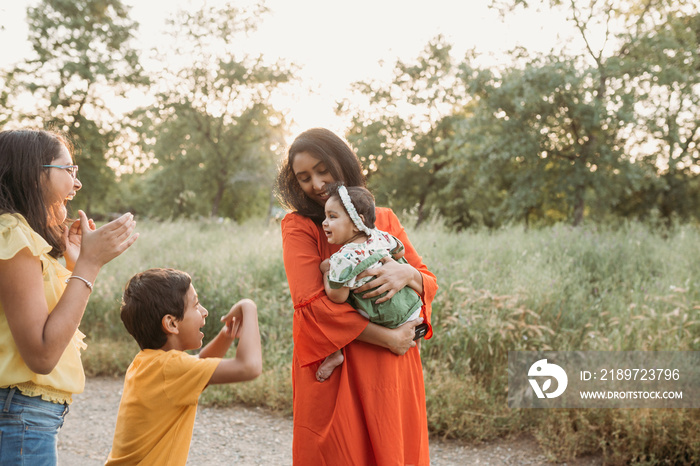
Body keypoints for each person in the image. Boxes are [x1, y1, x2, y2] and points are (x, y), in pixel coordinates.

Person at [276, 127, 438, 465]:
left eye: (323, 170)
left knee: (393, 447)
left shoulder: (384, 219)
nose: (317, 184)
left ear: (342, 162)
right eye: (304, 177)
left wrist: (406, 274)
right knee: (340, 451)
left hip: (390, 369)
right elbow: (310, 304)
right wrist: (389, 339)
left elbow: (428, 281)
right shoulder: (300, 226)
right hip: (340, 363)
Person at [0, 128, 138, 465]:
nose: (76, 184)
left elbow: (55, 333)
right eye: (69, 170)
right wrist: (89, 265)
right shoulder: (12, 232)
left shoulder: (26, 241)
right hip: (21, 415)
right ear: (33, 173)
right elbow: (42, 356)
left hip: (28, 415)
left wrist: (76, 264)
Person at [106, 268, 262, 466]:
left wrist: (226, 335)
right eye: (196, 305)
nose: (204, 312)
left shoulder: (148, 362)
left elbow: (198, 364)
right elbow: (249, 367)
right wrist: (249, 307)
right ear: (171, 323)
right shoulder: (170, 368)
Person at [316, 183, 424, 382]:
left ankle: (335, 352)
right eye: (325, 216)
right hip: (412, 308)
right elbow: (400, 251)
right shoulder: (380, 235)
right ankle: (416, 339)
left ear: (358, 223)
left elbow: (336, 297)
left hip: (383, 316)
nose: (324, 222)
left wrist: (326, 272)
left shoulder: (343, 258)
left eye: (332, 217)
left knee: (333, 307)